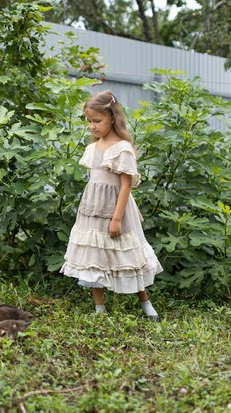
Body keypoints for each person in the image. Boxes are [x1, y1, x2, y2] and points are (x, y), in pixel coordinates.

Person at [60, 90, 163, 321]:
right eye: (89, 121)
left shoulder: (122, 149)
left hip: (116, 209)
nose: (92, 126)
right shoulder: (92, 148)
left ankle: (145, 302)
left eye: (97, 121)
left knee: (127, 255)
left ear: (112, 119)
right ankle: (99, 307)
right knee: (92, 254)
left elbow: (126, 185)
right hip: (92, 208)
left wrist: (116, 218)